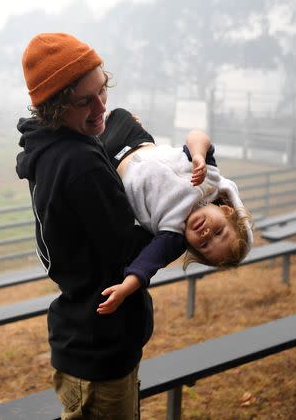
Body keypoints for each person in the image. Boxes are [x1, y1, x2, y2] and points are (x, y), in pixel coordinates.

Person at [15, 33, 155, 419]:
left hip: (84, 337)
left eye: (102, 91)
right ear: (56, 107)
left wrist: (124, 132)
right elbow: (128, 248)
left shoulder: (50, 146)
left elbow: (93, 150)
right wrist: (175, 219)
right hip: (101, 350)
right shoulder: (79, 165)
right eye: (84, 100)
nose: (100, 106)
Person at [96, 108, 254, 315]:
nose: (206, 234)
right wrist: (198, 155)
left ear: (191, 246)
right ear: (226, 210)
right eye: (219, 232)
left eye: (205, 245)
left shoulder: (173, 234)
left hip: (111, 163)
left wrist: (125, 289)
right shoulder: (210, 179)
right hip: (136, 140)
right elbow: (197, 136)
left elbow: (147, 264)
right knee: (119, 114)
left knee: (82, 146)